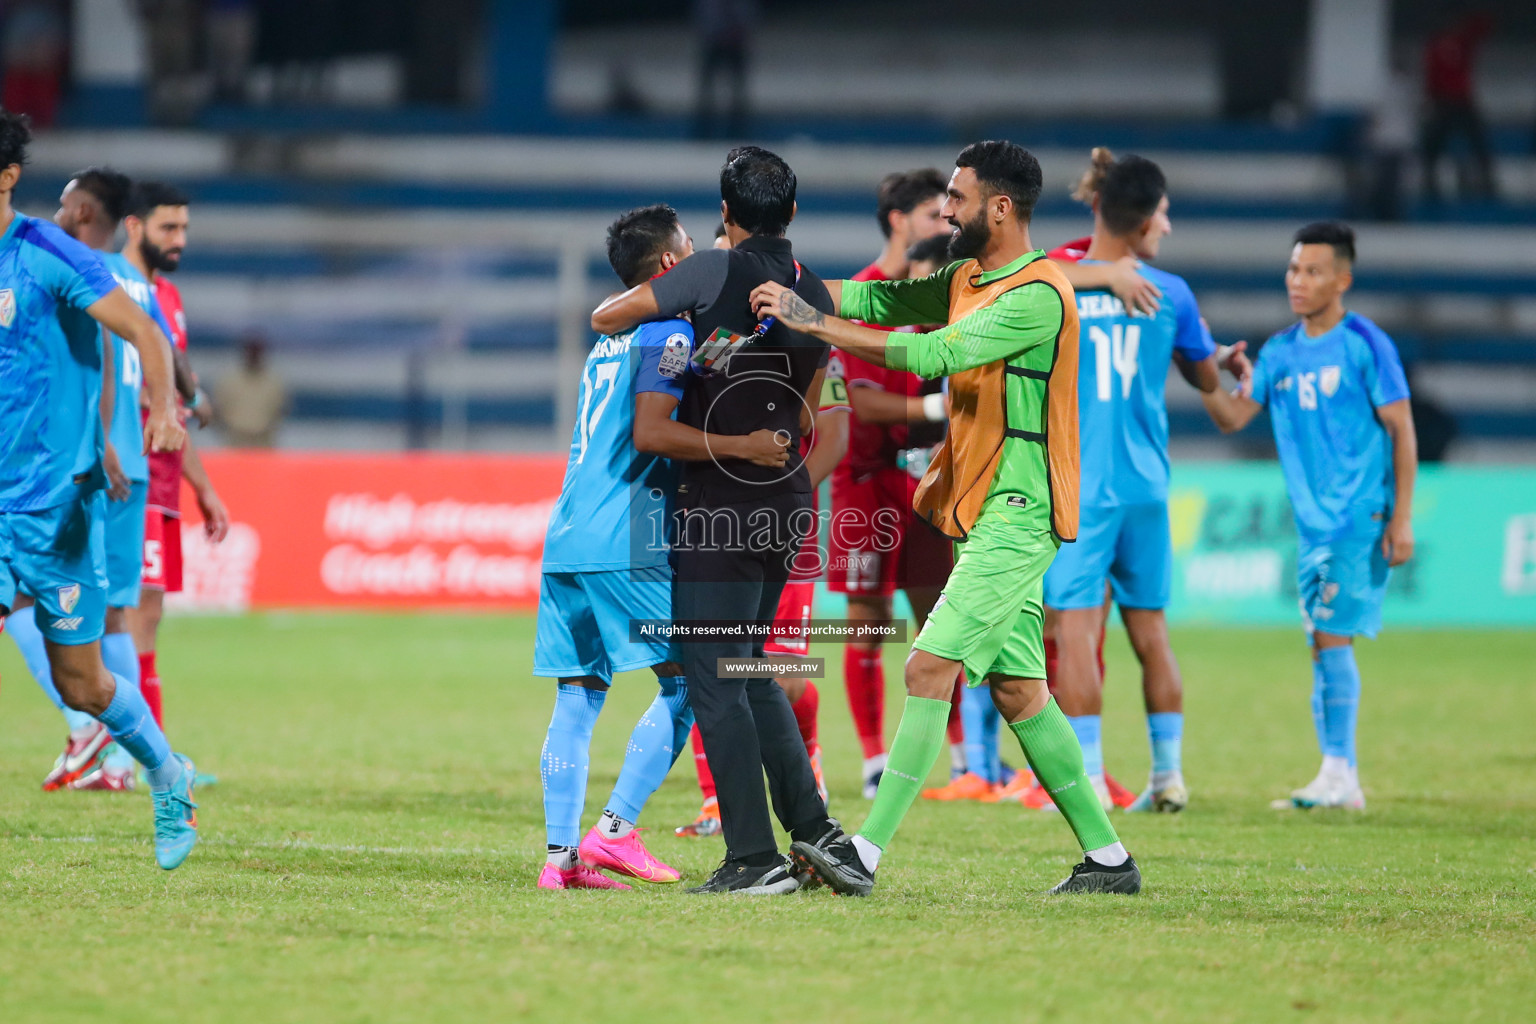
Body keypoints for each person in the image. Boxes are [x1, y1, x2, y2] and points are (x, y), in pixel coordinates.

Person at [756, 139, 1141, 896]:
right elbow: (883, 301)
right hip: (987, 508)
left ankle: (861, 853)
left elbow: (934, 353)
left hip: (1021, 510)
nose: (948, 210)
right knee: (1020, 690)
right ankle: (1108, 860)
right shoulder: (969, 276)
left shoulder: (1036, 295)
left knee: (929, 665)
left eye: (959, 199)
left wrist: (809, 321)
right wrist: (789, 285)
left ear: (1000, 207)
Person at [593, 146, 844, 895]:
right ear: (793, 213)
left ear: (726, 214)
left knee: (713, 678)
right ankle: (814, 829)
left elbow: (609, 315)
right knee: (753, 666)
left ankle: (752, 859)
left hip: (721, 505)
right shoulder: (817, 291)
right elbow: (806, 409)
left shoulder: (710, 271)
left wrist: (683, 345)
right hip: (788, 494)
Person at [535, 204, 785, 890]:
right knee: (689, 682)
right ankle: (615, 831)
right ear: (673, 268)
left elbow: (701, 362)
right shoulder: (669, 330)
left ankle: (560, 861)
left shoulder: (612, 339)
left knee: (579, 694)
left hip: (567, 537)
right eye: (690, 255)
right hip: (627, 536)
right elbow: (656, 427)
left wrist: (752, 331)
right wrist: (745, 447)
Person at [1027, 149, 1252, 816]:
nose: (1170, 227)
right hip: (1148, 486)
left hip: (1081, 486)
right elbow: (1212, 385)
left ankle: (1091, 777)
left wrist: (1098, 276)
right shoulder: (1172, 295)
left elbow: (1011, 275)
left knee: (1073, 631)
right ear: (1145, 219)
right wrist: (1230, 367)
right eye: (1165, 214)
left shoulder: (1058, 284)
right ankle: (1168, 777)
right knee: (1150, 630)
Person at [0, 112, 198, 869]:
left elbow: (145, 335)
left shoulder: (50, 255)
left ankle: (166, 773)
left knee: (82, 684)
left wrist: (162, 409)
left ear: (8, 176)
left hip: (55, 507)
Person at [1201, 222, 1417, 811]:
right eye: (1294, 269)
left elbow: (1401, 429)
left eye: (1314, 271)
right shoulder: (1280, 351)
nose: (1299, 281)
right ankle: (1337, 774)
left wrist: (1400, 519)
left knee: (1329, 636)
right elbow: (1234, 418)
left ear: (1342, 279)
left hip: (1358, 516)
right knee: (1321, 643)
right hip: (1313, 524)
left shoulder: (1365, 344)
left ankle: (1341, 773)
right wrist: (1200, 370)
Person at [675, 224, 851, 840]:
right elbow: (696, 385)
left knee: (779, 673)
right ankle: (719, 801)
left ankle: (807, 774)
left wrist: (783, 487)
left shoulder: (808, 326)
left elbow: (830, 432)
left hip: (775, 520)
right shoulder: (720, 335)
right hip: (726, 515)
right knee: (725, 666)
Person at [831, 169, 969, 799]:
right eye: (934, 215)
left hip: (927, 482)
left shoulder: (944, 296)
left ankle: (964, 758)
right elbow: (857, 399)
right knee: (866, 620)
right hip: (865, 481)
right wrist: (939, 415)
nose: (946, 225)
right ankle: (871, 757)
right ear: (897, 220)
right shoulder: (862, 296)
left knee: (939, 619)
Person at [122, 182, 230, 756]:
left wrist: (204, 489)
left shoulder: (169, 296)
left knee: (149, 614)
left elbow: (173, 407)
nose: (180, 239)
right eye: (169, 227)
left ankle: (149, 749)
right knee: (130, 612)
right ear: (134, 226)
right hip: (127, 479)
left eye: (185, 228)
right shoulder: (114, 291)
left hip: (163, 481)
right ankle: (128, 749)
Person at [1421, 10, 1497, 202]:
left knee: (1479, 142)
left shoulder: (1462, 41)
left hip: (1462, 100)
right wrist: (1431, 99)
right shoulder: (1435, 46)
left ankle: (1488, 182)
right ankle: (1431, 184)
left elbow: (1481, 26)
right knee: (1434, 143)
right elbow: (1430, 75)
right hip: (1444, 101)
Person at [213, 334, 288, 446]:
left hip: (263, 441)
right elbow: (217, 412)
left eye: (257, 352)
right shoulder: (229, 382)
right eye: (251, 351)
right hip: (236, 441)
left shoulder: (274, 383)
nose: (253, 355)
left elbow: (280, 411)